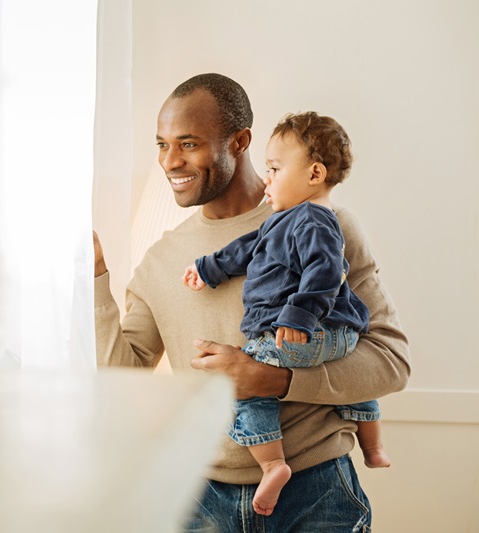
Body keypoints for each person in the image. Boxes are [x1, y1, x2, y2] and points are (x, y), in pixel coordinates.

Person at [93, 73, 410, 532]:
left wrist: (274, 379)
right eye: (161, 144)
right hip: (199, 501)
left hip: (316, 494)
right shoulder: (162, 261)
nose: (170, 161)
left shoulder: (325, 224)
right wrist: (95, 279)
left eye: (188, 143)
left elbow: (391, 361)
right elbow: (123, 378)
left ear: (240, 141)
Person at [182, 111, 389, 517]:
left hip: (312, 331)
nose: (265, 180)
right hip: (335, 336)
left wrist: (298, 316)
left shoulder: (316, 220)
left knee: (241, 380)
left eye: (275, 169)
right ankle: (373, 445)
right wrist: (209, 268)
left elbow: (325, 272)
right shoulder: (281, 221)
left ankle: (272, 463)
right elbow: (244, 248)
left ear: (314, 174)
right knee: (355, 378)